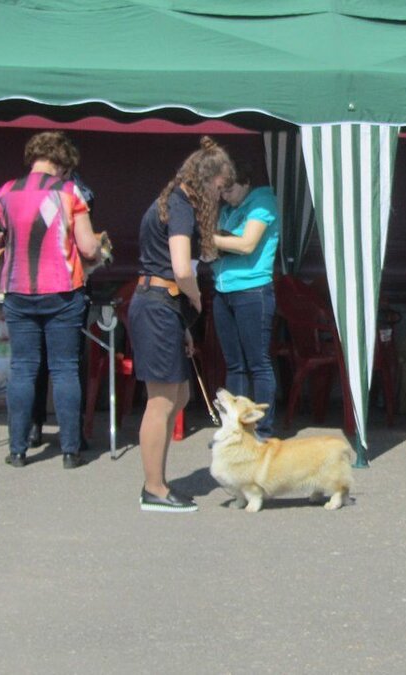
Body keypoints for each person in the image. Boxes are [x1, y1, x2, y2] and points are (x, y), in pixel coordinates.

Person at [0, 131, 102, 469]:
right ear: (62, 163)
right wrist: (101, 249)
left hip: (18, 292)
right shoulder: (70, 193)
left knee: (23, 369)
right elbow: (87, 248)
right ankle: (71, 451)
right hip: (62, 291)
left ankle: (17, 451)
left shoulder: (4, 193)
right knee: (65, 369)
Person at [131, 136, 235, 513]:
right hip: (160, 302)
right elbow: (179, 266)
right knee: (161, 401)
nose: (220, 196)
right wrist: (195, 297)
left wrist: (185, 325)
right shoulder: (181, 205)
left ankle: (156, 481)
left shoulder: (171, 200)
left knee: (180, 396)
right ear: (206, 179)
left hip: (161, 305)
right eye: (219, 187)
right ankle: (154, 488)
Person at [210, 159, 281, 440]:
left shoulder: (262, 202)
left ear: (245, 183)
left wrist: (208, 239)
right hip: (223, 289)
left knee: (258, 363)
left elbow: (247, 244)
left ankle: (262, 430)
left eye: (229, 189)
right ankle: (235, 428)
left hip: (253, 290)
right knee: (234, 364)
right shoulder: (228, 210)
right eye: (221, 191)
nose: (225, 196)